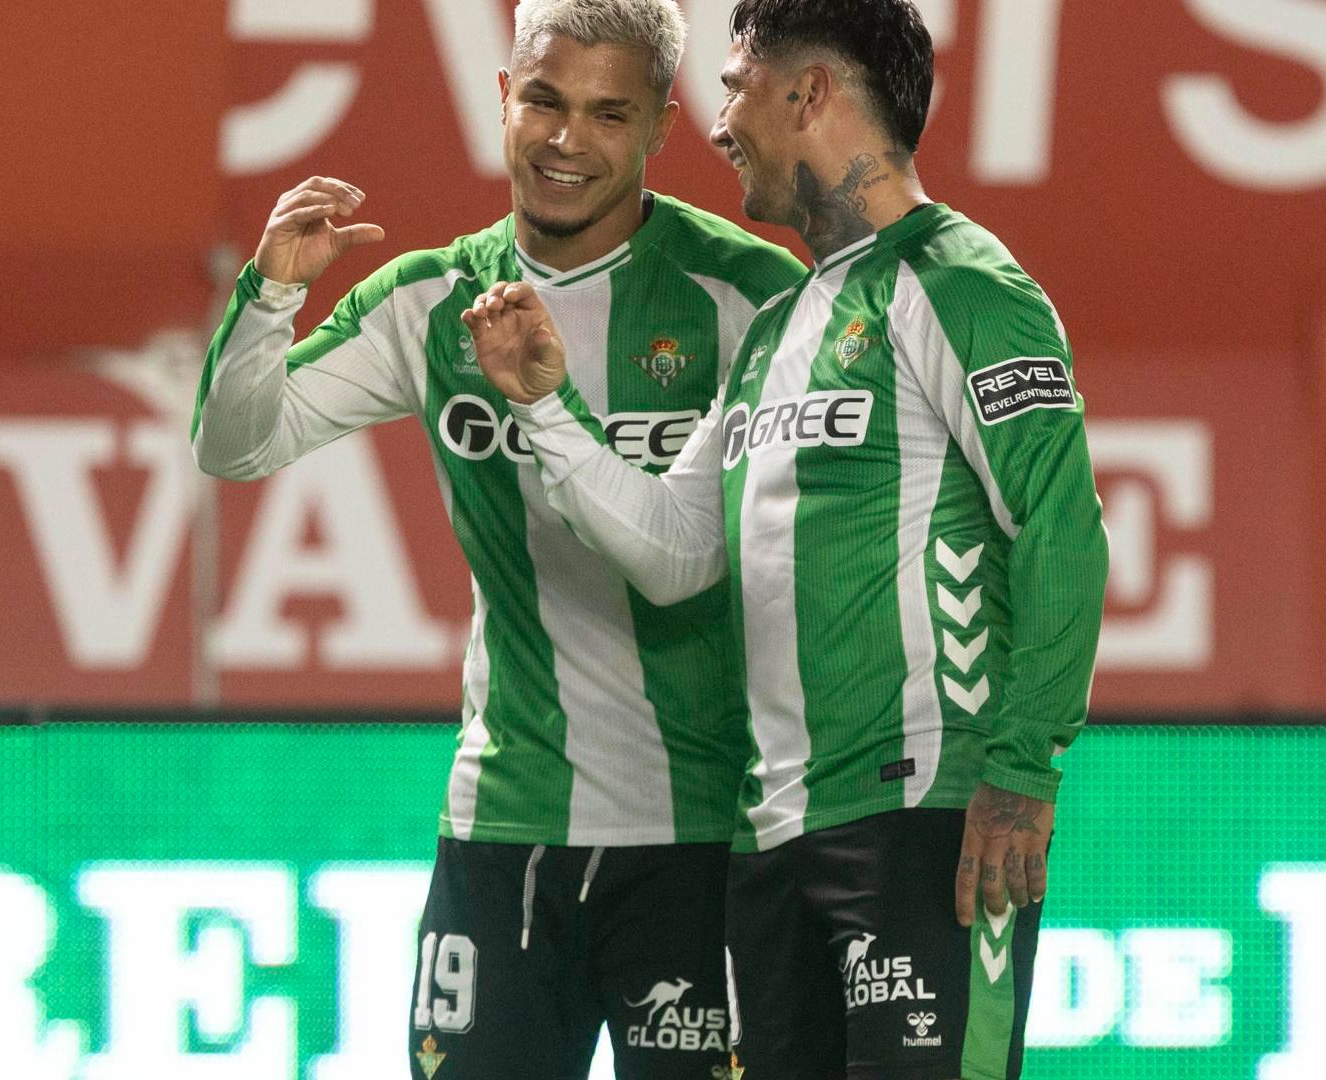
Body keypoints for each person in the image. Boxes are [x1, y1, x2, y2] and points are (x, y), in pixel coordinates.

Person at [463, 1, 1109, 1076]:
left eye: (735, 86)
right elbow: (678, 550)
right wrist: (543, 408)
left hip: (925, 821)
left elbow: (1064, 527)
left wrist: (1022, 771)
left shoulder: (963, 284)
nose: (716, 123)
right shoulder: (775, 332)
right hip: (768, 845)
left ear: (808, 94)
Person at [190, 2, 805, 1076]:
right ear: (502, 100)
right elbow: (235, 446)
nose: (568, 141)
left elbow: (687, 564)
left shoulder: (750, 297)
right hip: (507, 821)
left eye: (609, 114)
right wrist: (272, 292)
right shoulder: (431, 299)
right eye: (545, 101)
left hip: (709, 829)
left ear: (662, 125)